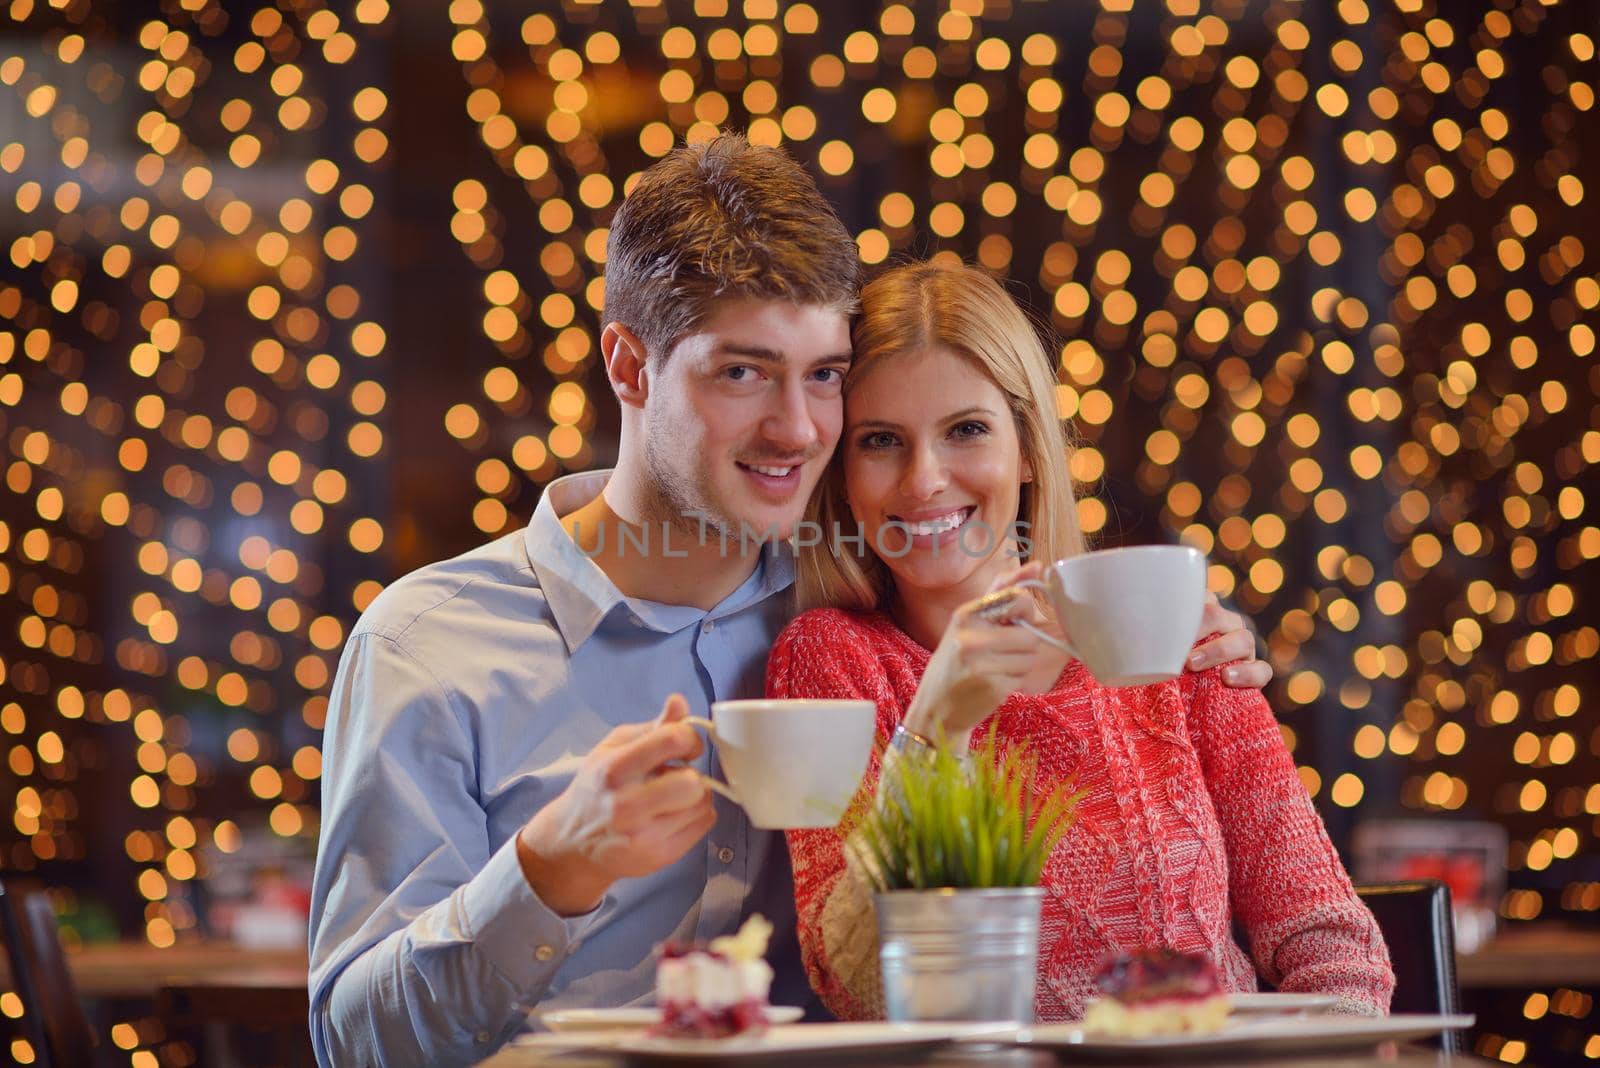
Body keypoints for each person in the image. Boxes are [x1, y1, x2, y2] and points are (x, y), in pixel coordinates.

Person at [308, 135, 1273, 1066]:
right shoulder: (428, 645)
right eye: (742, 373)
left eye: (824, 377)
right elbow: (354, 1043)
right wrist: (544, 872)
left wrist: (1177, 636)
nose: (797, 427)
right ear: (630, 365)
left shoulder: (853, 622)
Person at [770, 261, 1394, 1021]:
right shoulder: (831, 658)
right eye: (880, 441)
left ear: (1029, 450)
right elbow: (859, 988)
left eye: (966, 430)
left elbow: (1331, 944)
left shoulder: (1161, 633)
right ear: (844, 476)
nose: (925, 480)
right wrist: (936, 731)